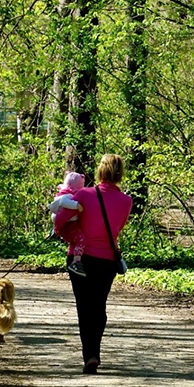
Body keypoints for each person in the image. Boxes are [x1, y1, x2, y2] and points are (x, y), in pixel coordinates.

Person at [53, 154, 133, 374]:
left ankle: (90, 355)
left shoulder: (84, 195)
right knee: (99, 306)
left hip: (81, 259)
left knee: (84, 307)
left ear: (100, 171)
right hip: (107, 260)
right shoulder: (126, 201)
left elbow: (59, 221)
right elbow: (118, 228)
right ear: (120, 173)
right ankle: (94, 352)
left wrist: (68, 234)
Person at [48, 171, 87, 277]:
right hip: (69, 225)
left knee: (76, 240)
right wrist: (76, 205)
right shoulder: (67, 196)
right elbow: (64, 202)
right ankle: (76, 261)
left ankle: (76, 259)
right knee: (81, 240)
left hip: (67, 224)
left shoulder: (64, 194)